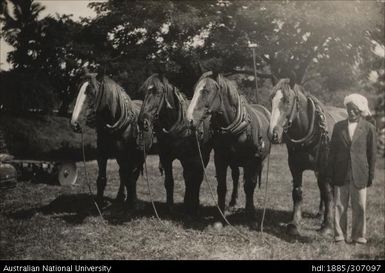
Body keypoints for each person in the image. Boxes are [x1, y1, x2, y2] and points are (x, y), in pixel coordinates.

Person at [327, 93, 377, 244]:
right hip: (341, 172)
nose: (351, 112)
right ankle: (339, 236)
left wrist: (370, 175)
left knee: (360, 205)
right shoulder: (338, 127)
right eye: (349, 108)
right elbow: (332, 152)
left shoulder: (368, 128)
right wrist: (330, 173)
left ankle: (358, 236)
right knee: (339, 205)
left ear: (361, 110)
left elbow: (372, 154)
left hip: (360, 172)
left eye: (355, 109)